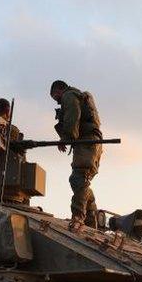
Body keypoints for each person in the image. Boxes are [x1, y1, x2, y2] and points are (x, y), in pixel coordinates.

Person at [49, 80, 102, 228]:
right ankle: (91, 217)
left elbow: (73, 115)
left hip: (87, 141)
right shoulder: (77, 95)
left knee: (78, 178)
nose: (56, 100)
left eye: (54, 96)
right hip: (91, 142)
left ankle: (78, 217)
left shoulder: (69, 96)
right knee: (81, 181)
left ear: (58, 90)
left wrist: (66, 138)